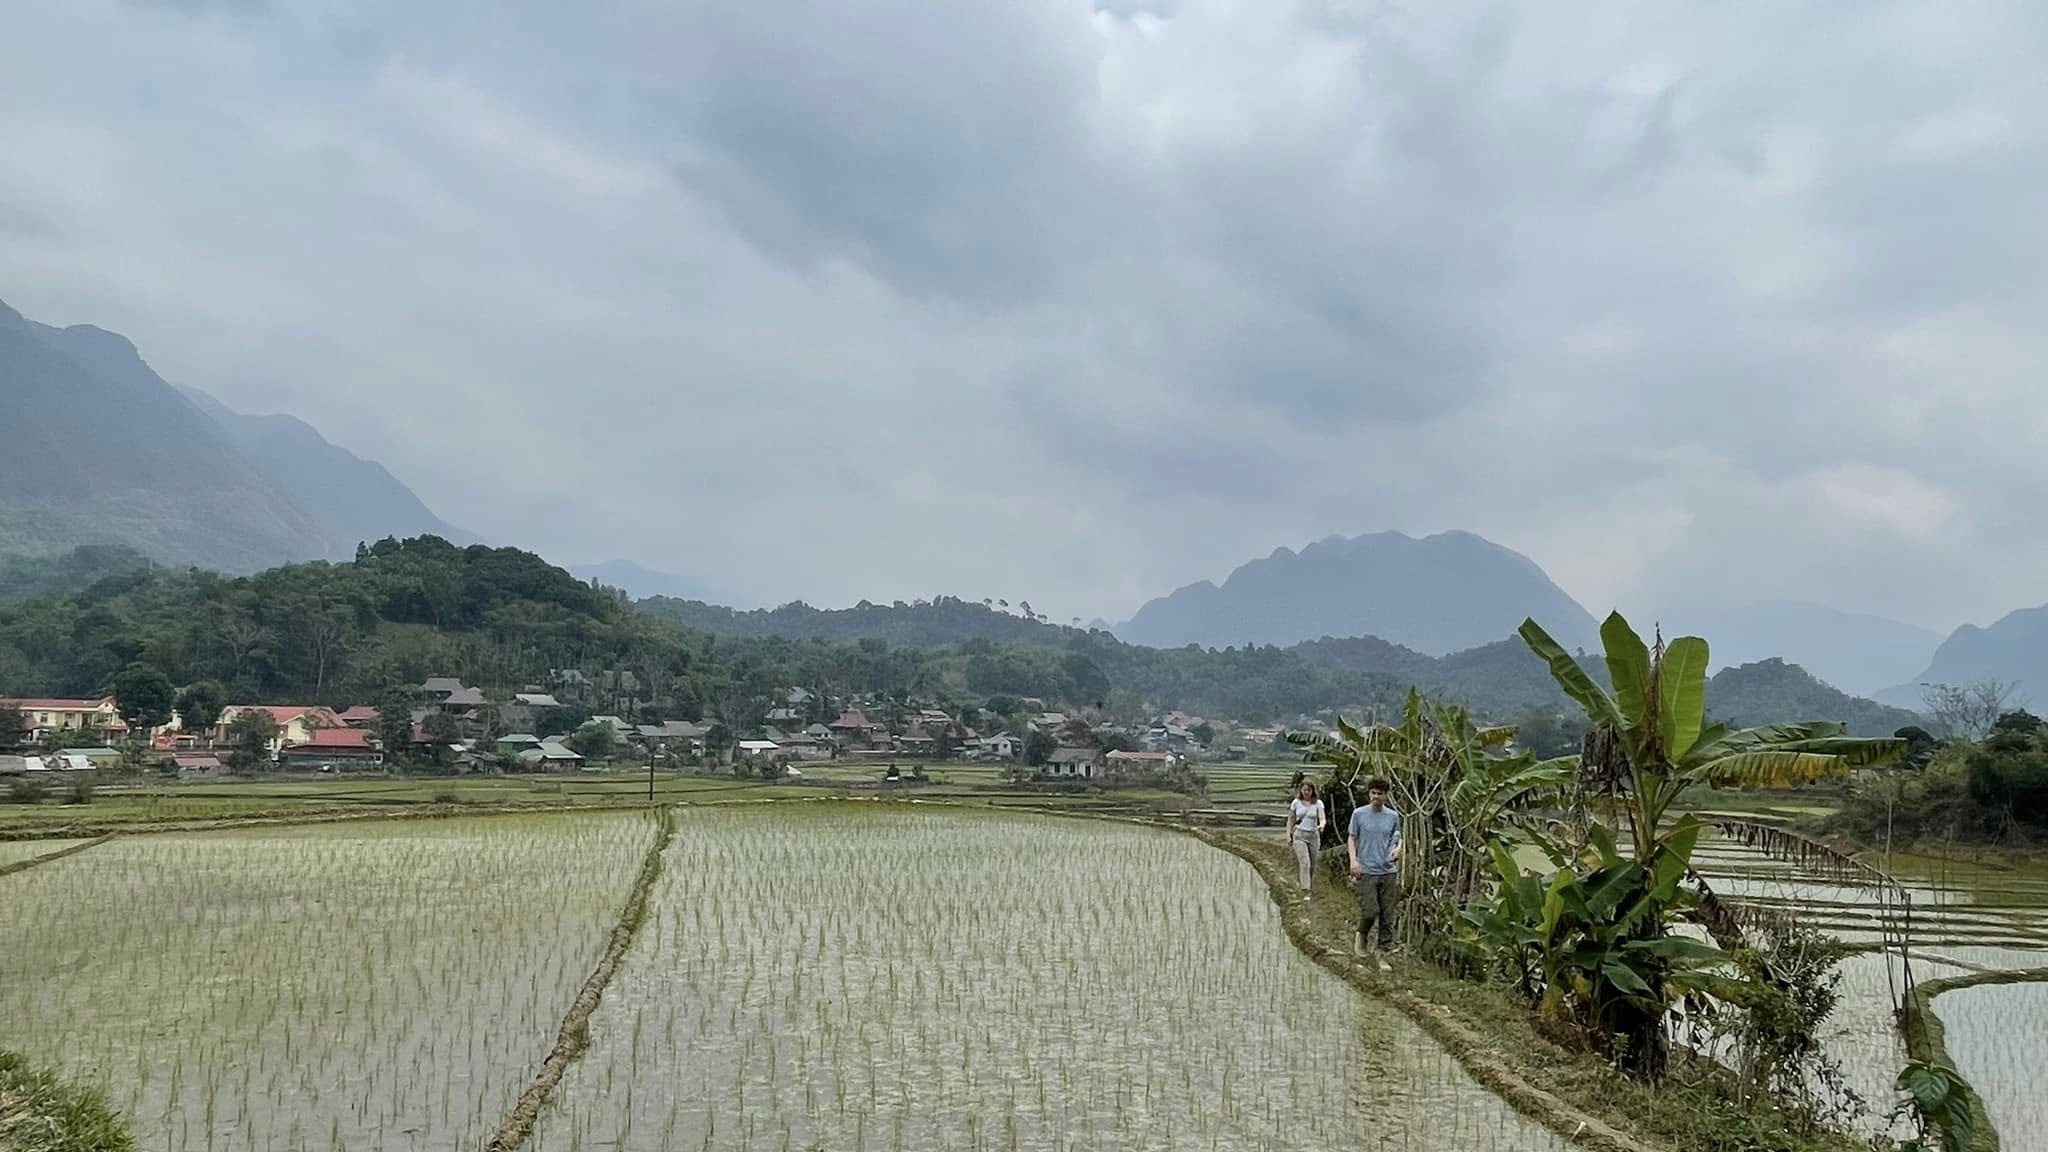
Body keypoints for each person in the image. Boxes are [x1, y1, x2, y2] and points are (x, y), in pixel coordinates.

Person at [1347, 777, 1404, 969]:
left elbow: (1398, 838)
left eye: (1380, 794)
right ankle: (1362, 934)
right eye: (1373, 793)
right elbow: (1352, 838)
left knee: (1387, 915)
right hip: (1366, 869)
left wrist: (1398, 850)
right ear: (1369, 794)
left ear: (1386, 796)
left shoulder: (1393, 816)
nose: (1376, 797)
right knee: (1371, 910)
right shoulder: (1359, 814)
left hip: (1388, 871)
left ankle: (1382, 954)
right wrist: (1353, 861)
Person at [1286, 780, 1327, 898]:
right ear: (1301, 790)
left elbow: (1322, 817)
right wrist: (1288, 835)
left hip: (1313, 836)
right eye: (1304, 790)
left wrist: (1322, 825)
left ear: (1312, 791)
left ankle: (1308, 884)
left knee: (1312, 864)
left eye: (1309, 790)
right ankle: (1306, 890)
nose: (1306, 792)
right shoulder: (1296, 803)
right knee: (1305, 863)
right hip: (1299, 835)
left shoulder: (1318, 803)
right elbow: (1290, 820)